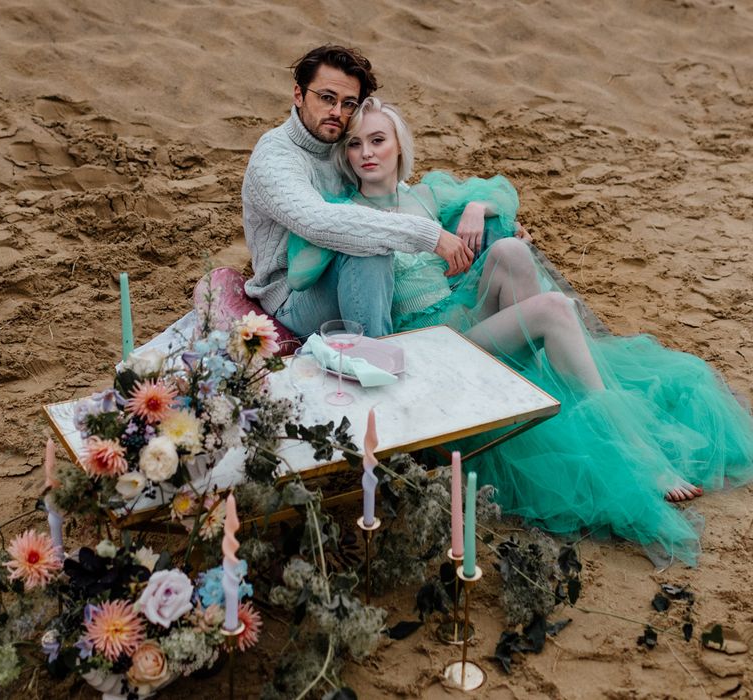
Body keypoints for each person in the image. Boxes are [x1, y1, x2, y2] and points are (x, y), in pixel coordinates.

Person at [289, 97, 753, 567]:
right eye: (354, 144)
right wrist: (361, 228)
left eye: (377, 140)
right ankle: (635, 451)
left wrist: (476, 205)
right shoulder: (344, 208)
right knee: (553, 308)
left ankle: (546, 389)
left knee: (511, 249)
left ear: (398, 146)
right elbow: (300, 268)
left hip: (460, 317)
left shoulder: (426, 196)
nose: (366, 152)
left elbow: (503, 191)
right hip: (427, 344)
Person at [240, 45, 473, 339]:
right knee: (367, 249)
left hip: (344, 279)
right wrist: (429, 235)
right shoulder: (275, 156)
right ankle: (376, 360)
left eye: (348, 103)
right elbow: (315, 222)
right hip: (292, 300)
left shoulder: (337, 139)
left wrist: (484, 214)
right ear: (298, 94)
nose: (337, 112)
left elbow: (388, 187)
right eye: (326, 98)